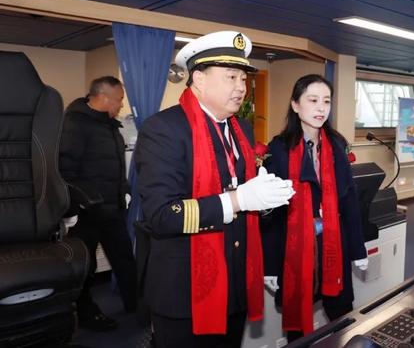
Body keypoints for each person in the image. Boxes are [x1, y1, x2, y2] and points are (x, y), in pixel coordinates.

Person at [135, 31, 295, 348]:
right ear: (199, 78)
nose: (241, 87)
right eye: (231, 77)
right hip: (184, 292)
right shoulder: (164, 129)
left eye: (243, 78)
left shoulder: (241, 129)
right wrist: (238, 199)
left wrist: (263, 200)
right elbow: (161, 215)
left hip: (233, 286)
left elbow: (241, 197)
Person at [261, 74, 368, 341]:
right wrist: (270, 265)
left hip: (333, 244)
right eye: (313, 100)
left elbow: (349, 201)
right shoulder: (279, 149)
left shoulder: (337, 145)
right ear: (295, 105)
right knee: (298, 327)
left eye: (326, 101)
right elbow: (272, 214)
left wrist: (358, 249)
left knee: (343, 317)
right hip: (295, 247)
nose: (321, 108)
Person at [59, 76, 137, 331]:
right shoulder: (75, 124)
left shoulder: (110, 126)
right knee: (86, 267)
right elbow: (65, 169)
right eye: (119, 100)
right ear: (103, 98)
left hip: (112, 209)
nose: (122, 105)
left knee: (125, 259)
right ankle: (86, 315)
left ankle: (137, 306)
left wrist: (124, 191)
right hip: (88, 212)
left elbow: (115, 167)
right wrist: (75, 206)